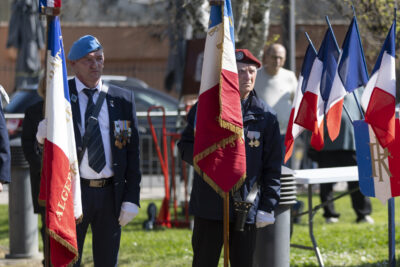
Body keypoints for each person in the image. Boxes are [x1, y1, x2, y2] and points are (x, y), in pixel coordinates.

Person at [36, 35, 142, 266]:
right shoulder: (61, 97)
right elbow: (43, 157)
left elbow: (132, 153)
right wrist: (42, 139)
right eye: (88, 60)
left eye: (99, 59)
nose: (96, 65)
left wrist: (132, 197)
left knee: (107, 260)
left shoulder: (121, 99)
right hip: (74, 192)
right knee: (68, 259)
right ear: (72, 64)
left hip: (110, 194)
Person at [178, 49, 281, 267]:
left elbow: (273, 166)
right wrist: (210, 161)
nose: (248, 77)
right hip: (210, 202)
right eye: (241, 72)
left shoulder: (266, 116)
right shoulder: (206, 108)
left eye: (252, 72)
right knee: (204, 261)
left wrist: (268, 205)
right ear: (228, 75)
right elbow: (185, 146)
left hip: (246, 204)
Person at [308, 88, 373, 224]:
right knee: (326, 184)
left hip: (352, 144)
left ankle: (363, 214)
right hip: (327, 145)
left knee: (358, 182)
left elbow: (366, 111)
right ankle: (329, 214)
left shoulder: (358, 86)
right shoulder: (323, 85)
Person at [254, 43, 297, 165]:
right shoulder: (255, 76)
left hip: (283, 135)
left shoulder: (290, 76)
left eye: (281, 58)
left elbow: (297, 102)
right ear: (266, 57)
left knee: (282, 172)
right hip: (259, 135)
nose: (277, 61)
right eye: (274, 57)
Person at [21, 78, 45, 264]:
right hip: (42, 178)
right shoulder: (33, 111)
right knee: (47, 225)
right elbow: (28, 145)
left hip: (67, 179)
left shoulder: (68, 110)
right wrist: (42, 166)